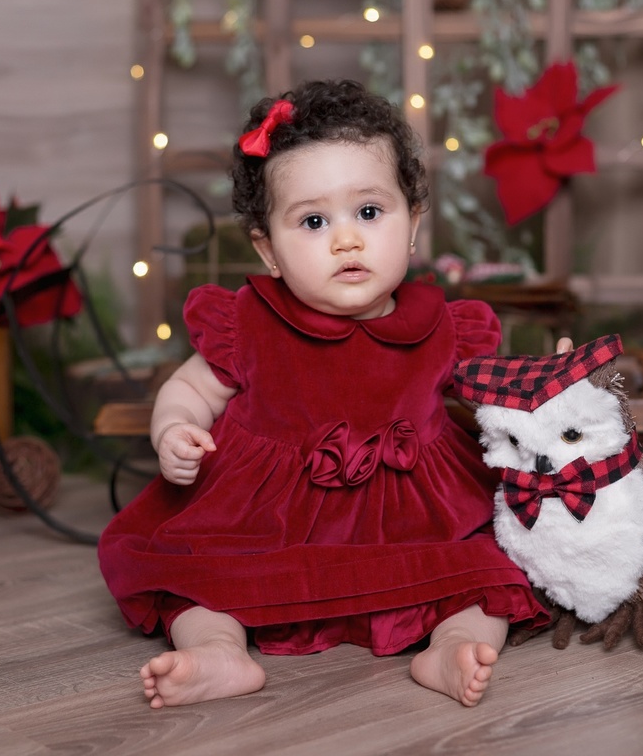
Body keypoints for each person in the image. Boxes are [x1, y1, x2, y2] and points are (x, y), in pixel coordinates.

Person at [98, 79, 554, 709]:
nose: (346, 239)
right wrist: (173, 428)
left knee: (482, 576)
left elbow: (496, 399)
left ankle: (451, 646)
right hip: (266, 518)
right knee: (199, 582)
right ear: (269, 249)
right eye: (313, 221)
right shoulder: (249, 322)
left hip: (414, 515)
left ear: (414, 221)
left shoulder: (444, 327)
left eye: (369, 212)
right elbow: (190, 387)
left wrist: (549, 398)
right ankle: (218, 651)